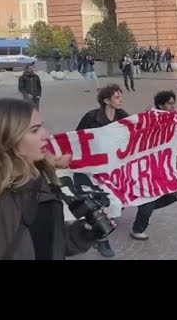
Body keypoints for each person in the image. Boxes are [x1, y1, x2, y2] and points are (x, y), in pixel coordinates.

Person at [0, 98, 111, 259]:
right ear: (6, 138)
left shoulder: (39, 179)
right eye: (34, 130)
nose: (46, 135)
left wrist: (85, 233)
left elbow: (48, 244)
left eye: (41, 126)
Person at [76, 84, 130, 258]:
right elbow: (77, 138)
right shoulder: (91, 117)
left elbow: (135, 131)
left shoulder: (122, 115)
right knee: (101, 201)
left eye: (121, 96)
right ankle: (101, 240)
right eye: (116, 97)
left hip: (114, 165)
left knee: (114, 201)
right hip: (93, 165)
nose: (121, 99)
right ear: (106, 100)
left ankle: (97, 231)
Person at [131, 91, 177, 240]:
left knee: (175, 193)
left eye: (173, 103)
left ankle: (144, 209)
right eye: (169, 104)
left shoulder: (172, 118)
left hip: (164, 165)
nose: (173, 107)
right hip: (148, 166)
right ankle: (137, 229)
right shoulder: (150, 118)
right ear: (161, 105)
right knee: (149, 197)